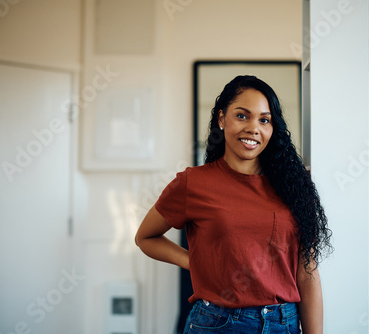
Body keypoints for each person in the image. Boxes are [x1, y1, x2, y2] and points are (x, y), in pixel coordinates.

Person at [135, 75, 332, 333]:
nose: (253, 128)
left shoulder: (295, 187)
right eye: (242, 116)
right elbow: (146, 238)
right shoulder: (193, 183)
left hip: (283, 324)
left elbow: (307, 273)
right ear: (221, 119)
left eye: (264, 120)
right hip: (217, 323)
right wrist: (194, 261)